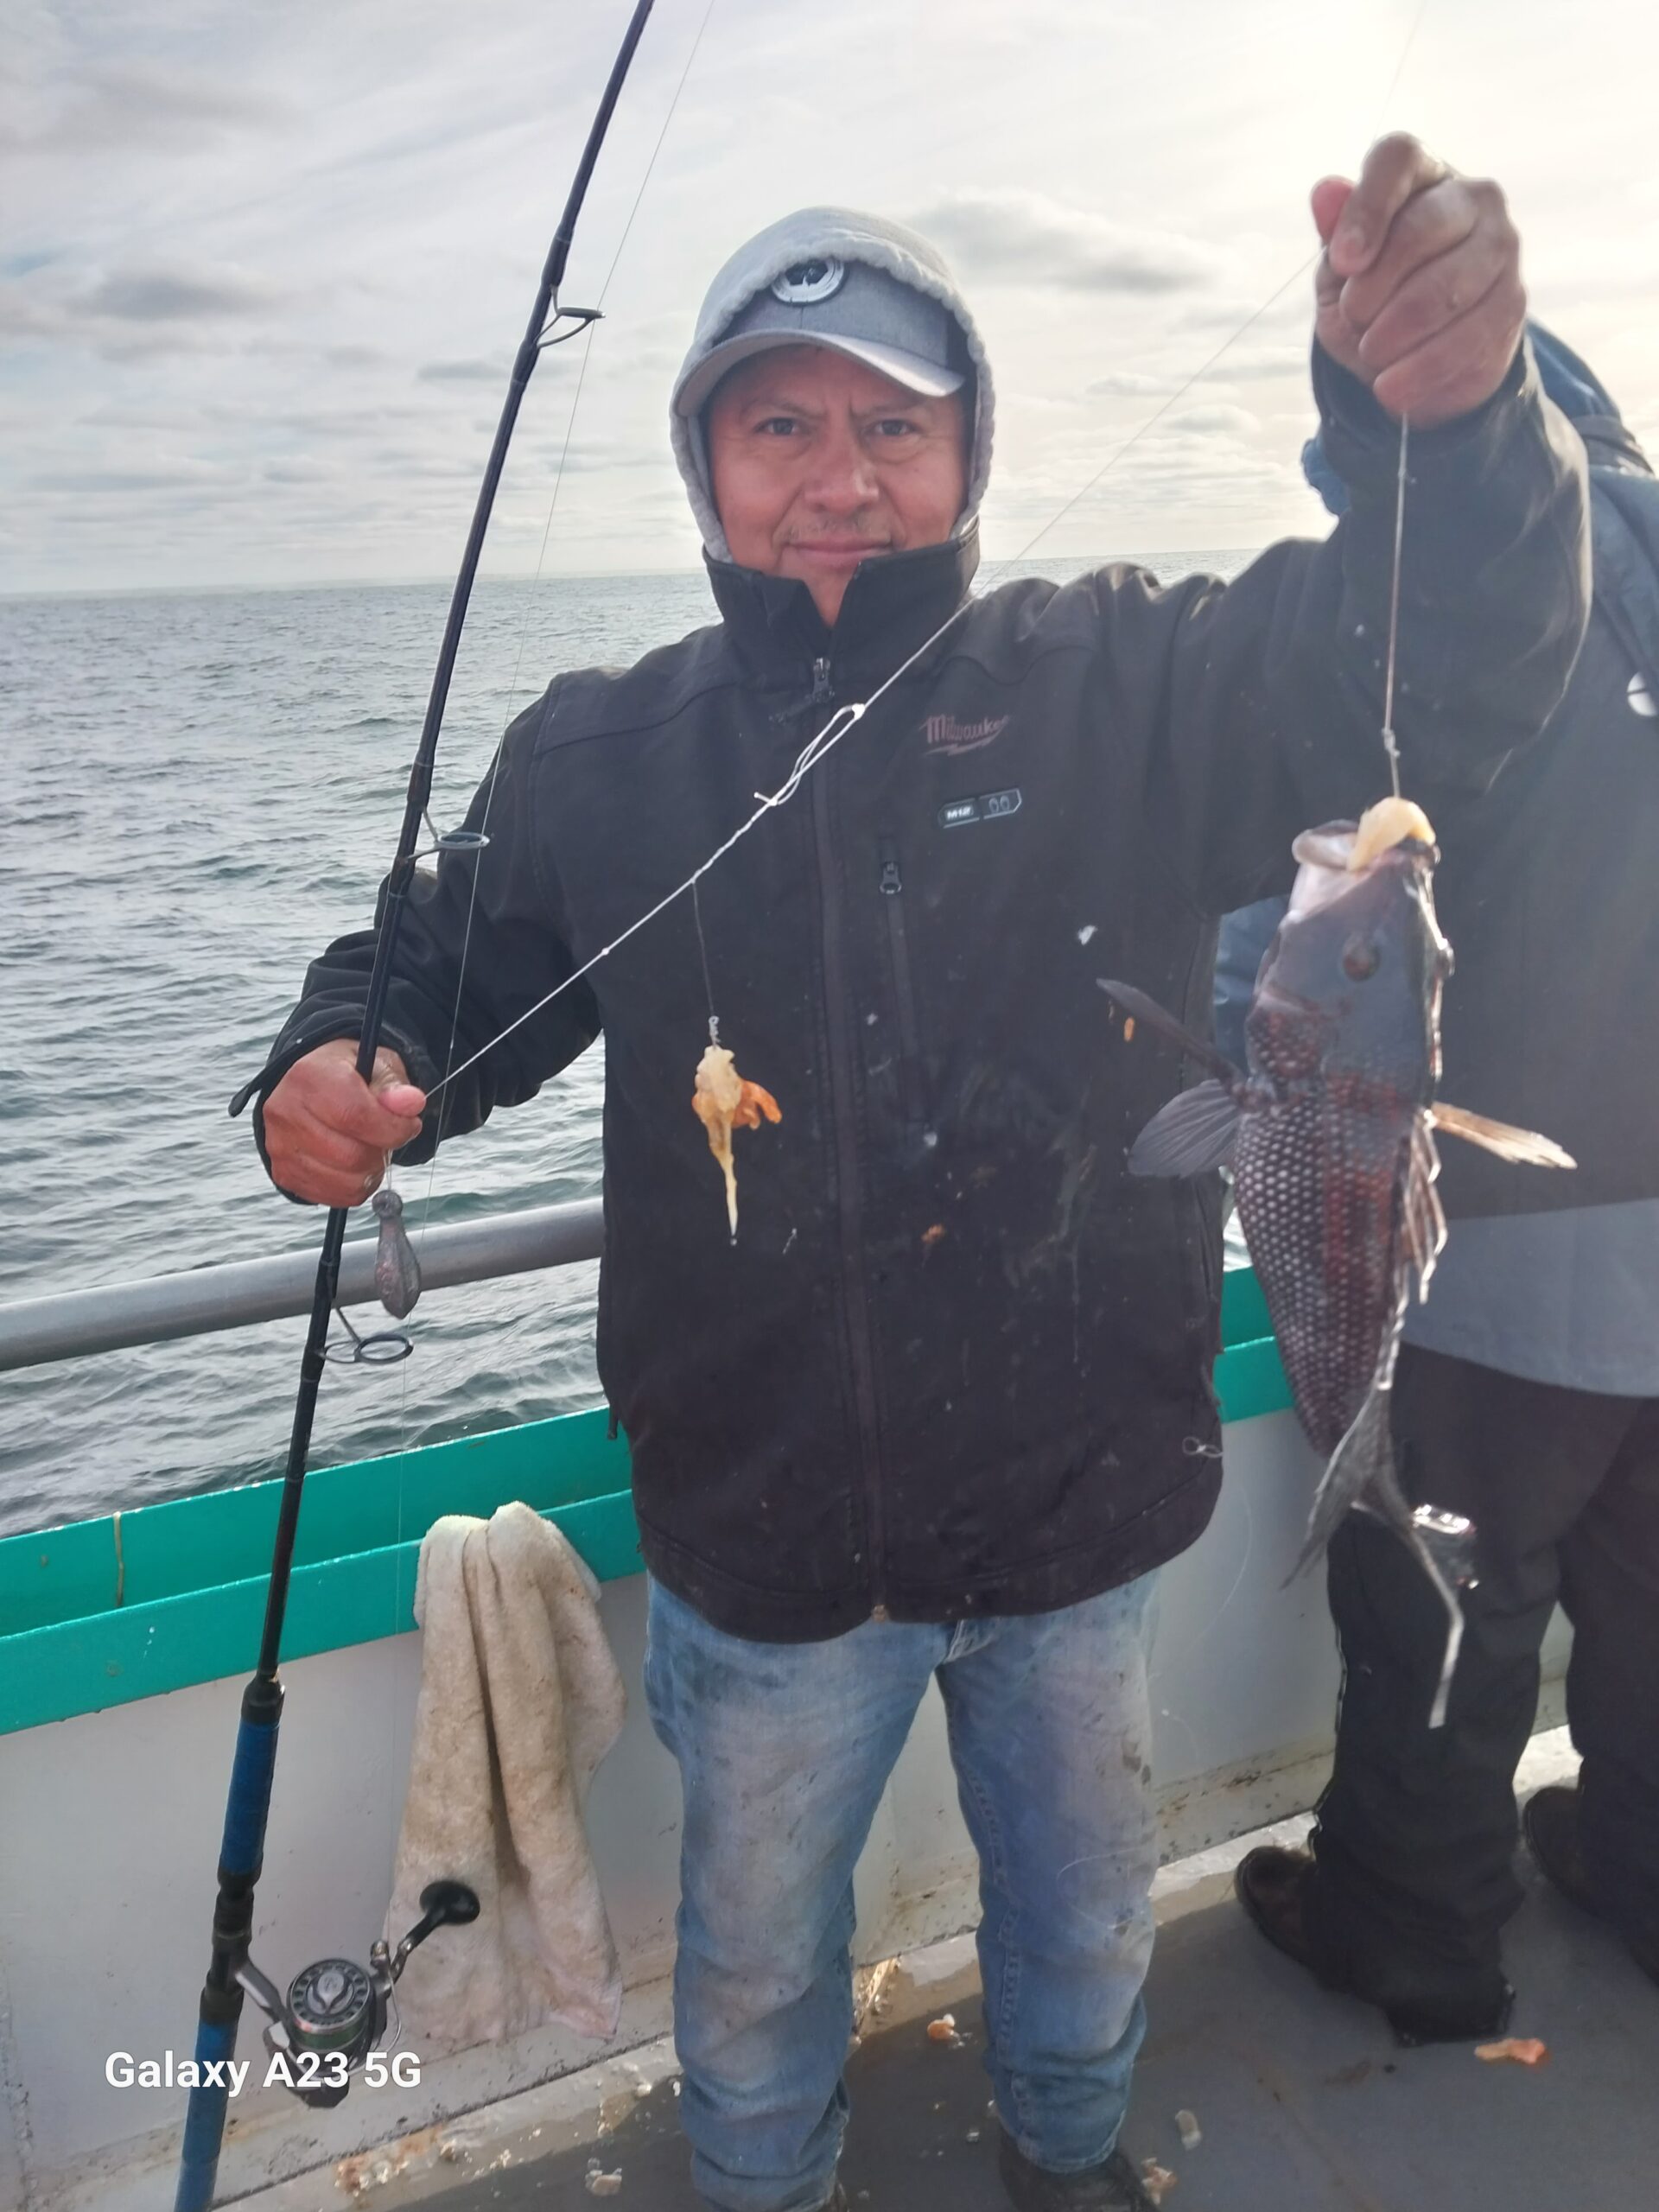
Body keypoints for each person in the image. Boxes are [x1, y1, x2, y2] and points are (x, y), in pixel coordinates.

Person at [246, 139, 1586, 2212]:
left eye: (894, 422)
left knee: (1083, 1919)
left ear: (971, 454)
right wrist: (338, 1066)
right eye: (781, 424)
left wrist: (1451, 422)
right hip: (763, 1551)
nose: (838, 472)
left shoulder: (1125, 675)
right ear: (704, 467)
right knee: (756, 1955)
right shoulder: (603, 752)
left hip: (1076, 1525)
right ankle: (759, 2179)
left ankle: (1072, 2156)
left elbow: (1439, 665)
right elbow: (446, 968)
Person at [1228, 327, 1659, 2046]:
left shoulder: (1427, 611)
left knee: (1448, 1597)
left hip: (1503, 1250)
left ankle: (1413, 1925)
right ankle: (1640, 1869)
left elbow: (1302, 932)